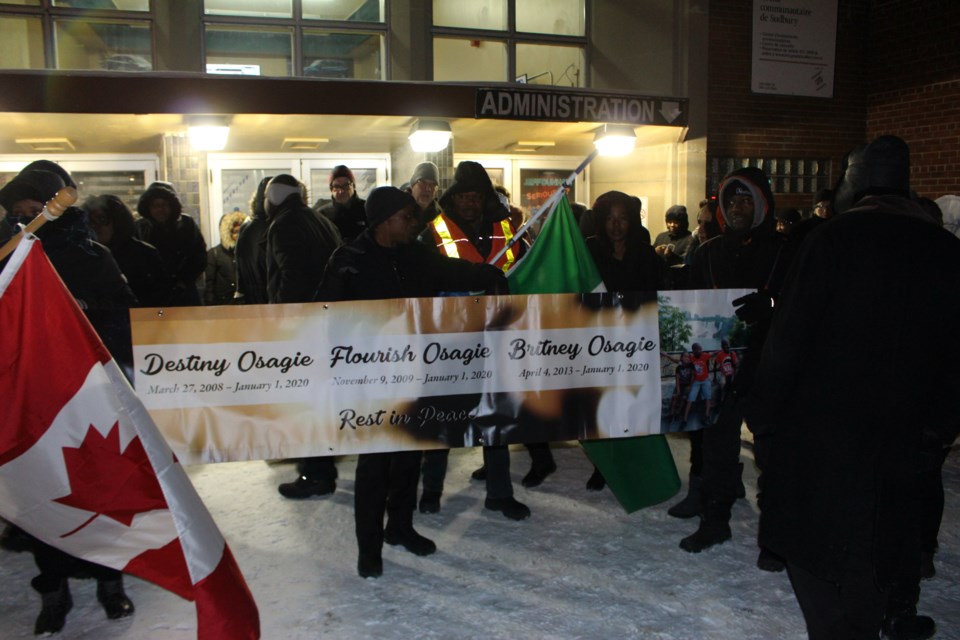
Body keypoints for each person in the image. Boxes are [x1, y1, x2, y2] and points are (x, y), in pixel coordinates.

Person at [744, 135, 960, 640]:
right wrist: (939, 427)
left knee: (811, 538)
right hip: (904, 435)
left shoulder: (833, 239)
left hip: (824, 429)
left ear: (856, 180)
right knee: (877, 542)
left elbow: (790, 335)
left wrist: (767, 410)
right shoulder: (946, 250)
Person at [317, 186, 508, 578]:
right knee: (373, 468)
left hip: (415, 373)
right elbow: (323, 316)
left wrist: (485, 273)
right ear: (385, 221)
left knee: (408, 456)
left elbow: (449, 270)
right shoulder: (349, 260)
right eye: (407, 216)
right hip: (370, 381)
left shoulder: (413, 253)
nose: (414, 222)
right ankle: (368, 549)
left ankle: (400, 528)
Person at [0, 163, 136, 635]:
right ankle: (53, 590)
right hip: (29, 402)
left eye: (34, 212)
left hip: (86, 403)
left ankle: (109, 581)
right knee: (41, 495)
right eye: (17, 214)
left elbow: (123, 320)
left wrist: (83, 314)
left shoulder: (89, 257)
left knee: (96, 492)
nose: (25, 222)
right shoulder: (5, 258)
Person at [673, 165, 794, 553]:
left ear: (761, 204)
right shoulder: (707, 253)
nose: (738, 208)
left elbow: (803, 304)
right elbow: (689, 306)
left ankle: (776, 538)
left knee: (774, 456)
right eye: (731, 200)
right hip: (720, 369)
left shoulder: (784, 251)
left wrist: (771, 304)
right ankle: (715, 520)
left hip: (769, 367)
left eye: (746, 200)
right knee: (717, 451)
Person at [418, 160, 534, 520]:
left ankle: (499, 493)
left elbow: (523, 271)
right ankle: (432, 489)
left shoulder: (508, 229)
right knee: (442, 415)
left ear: (486, 198)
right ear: (453, 198)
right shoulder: (432, 231)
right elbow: (422, 283)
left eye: (476, 196)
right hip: (449, 340)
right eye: (464, 196)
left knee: (495, 415)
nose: (470, 202)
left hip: (497, 335)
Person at [265, 174, 345, 499]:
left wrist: (284, 322)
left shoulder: (284, 224)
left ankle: (315, 473)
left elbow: (293, 275)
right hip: (329, 323)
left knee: (307, 403)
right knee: (321, 402)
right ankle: (320, 467)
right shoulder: (319, 219)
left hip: (304, 329)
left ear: (272, 198)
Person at [82, 194, 177, 308]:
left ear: (117, 221)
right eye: (89, 221)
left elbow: (161, 296)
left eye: (102, 219)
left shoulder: (144, 253)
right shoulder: (83, 255)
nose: (95, 226)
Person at [134, 181, 207, 306]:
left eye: (165, 204)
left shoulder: (186, 224)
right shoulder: (140, 227)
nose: (160, 209)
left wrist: (183, 282)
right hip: (151, 296)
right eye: (155, 205)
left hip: (183, 295)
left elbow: (199, 256)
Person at [234, 176, 272, 305]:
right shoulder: (275, 226)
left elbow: (240, 263)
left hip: (252, 299)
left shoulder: (247, 226)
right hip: (272, 300)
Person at [204, 210, 248, 305]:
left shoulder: (248, 252)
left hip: (245, 303)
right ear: (228, 232)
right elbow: (210, 284)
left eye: (241, 231)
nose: (238, 235)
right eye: (235, 232)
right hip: (223, 304)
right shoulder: (214, 253)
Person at [316, 165, 367, 242]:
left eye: (346, 186)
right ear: (331, 189)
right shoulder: (323, 215)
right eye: (336, 187)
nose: (341, 191)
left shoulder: (366, 209)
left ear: (353, 186)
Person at [406, 161, 441, 232]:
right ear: (413, 185)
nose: (428, 188)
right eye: (423, 183)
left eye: (433, 185)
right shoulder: (399, 212)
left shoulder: (440, 217)